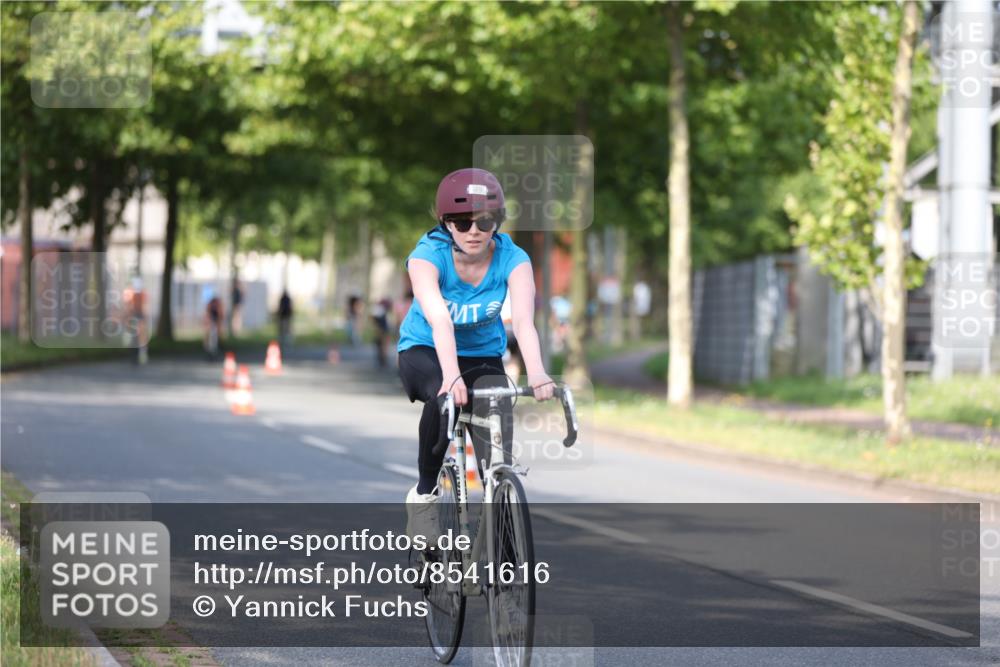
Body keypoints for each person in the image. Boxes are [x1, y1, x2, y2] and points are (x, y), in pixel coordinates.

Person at [397, 168, 555, 540]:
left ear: (497, 222)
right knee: (443, 400)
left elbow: (524, 322)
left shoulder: (513, 258)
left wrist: (537, 372)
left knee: (497, 430)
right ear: (445, 223)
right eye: (462, 222)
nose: (473, 231)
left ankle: (501, 521)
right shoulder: (426, 256)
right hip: (425, 348)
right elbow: (440, 320)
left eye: (484, 222)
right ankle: (424, 497)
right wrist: (451, 375)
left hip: (482, 355)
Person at [204, 293, 224, 359]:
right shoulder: (210, 305)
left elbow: (220, 316)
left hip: (216, 321)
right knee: (209, 336)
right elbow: (207, 315)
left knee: (215, 336)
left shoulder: (218, 306)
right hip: (211, 321)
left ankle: (215, 348)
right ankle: (208, 349)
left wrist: (219, 325)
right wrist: (208, 323)